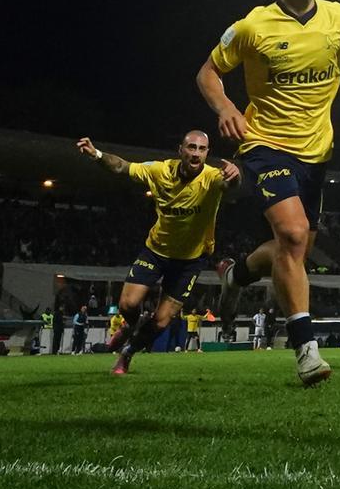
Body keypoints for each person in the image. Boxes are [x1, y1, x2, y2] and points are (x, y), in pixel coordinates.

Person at [199, 0, 340, 386]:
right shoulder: (253, 25)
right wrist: (225, 108)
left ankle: (236, 275)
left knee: (292, 249)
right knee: (293, 235)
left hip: (316, 153)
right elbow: (208, 73)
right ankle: (305, 349)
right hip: (264, 145)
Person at [76, 131, 239, 375]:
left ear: (207, 153)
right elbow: (122, 167)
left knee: (162, 320)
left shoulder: (212, 178)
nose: (196, 153)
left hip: (190, 261)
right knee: (128, 305)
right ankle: (131, 325)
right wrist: (96, 154)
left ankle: (127, 354)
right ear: (180, 150)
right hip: (156, 252)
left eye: (202, 149)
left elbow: (230, 184)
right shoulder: (159, 171)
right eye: (191, 147)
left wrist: (236, 176)